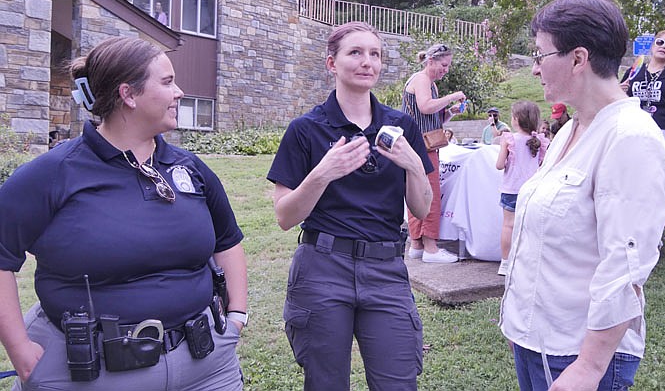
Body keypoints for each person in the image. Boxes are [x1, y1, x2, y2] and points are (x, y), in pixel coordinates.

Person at [0, 37, 248, 390]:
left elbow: (227, 239)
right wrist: (20, 348)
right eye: (166, 82)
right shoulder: (54, 174)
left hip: (205, 367)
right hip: (92, 373)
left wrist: (236, 315)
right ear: (129, 95)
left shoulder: (190, 169)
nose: (179, 92)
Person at [499, 0, 665, 391]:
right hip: (538, 339)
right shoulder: (569, 133)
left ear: (578, 59)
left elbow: (626, 264)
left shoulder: (630, 136)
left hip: (577, 356)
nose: (535, 69)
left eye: (540, 55)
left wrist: (590, 367)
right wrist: (521, 322)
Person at [267, 21, 432, 390]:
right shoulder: (306, 129)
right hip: (323, 269)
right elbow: (284, 216)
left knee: (397, 382)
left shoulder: (401, 126)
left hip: (386, 271)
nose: (366, 62)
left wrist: (414, 165)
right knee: (326, 383)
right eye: (355, 52)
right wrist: (323, 173)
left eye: (374, 54)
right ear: (332, 63)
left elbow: (421, 209)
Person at [401, 43, 466, 263]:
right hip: (422, 147)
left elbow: (434, 118)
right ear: (431, 61)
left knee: (417, 192)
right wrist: (452, 96)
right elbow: (425, 107)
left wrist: (450, 112)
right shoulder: (421, 80)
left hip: (419, 144)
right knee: (429, 193)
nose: (446, 70)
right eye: (444, 65)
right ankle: (431, 248)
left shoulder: (430, 83)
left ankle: (417, 244)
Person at [494, 101, 549, 276]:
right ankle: (526, 261)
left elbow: (499, 165)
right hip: (533, 190)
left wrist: (503, 146)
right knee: (529, 226)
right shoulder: (539, 141)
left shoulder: (509, 139)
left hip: (511, 189)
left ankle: (505, 262)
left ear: (516, 119)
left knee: (508, 225)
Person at [621, 29, 665, 149]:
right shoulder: (634, 71)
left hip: (664, 131)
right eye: (660, 42)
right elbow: (620, 101)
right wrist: (620, 91)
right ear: (653, 45)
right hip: (635, 129)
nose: (664, 46)